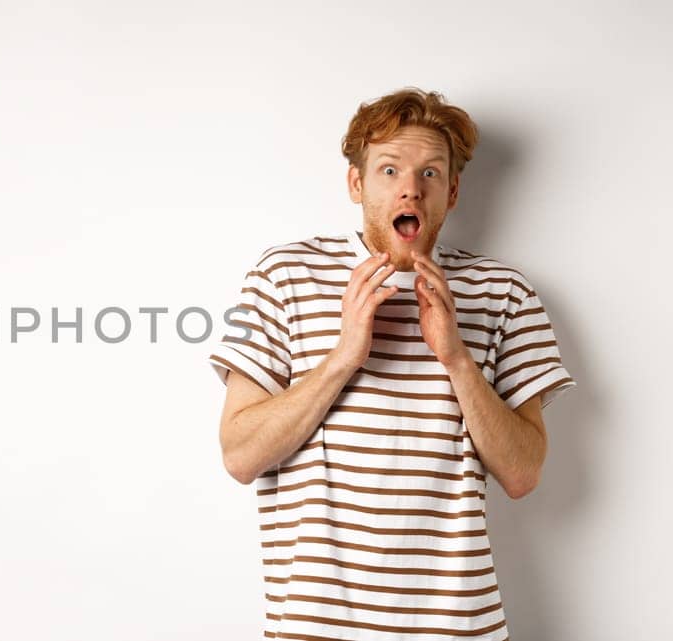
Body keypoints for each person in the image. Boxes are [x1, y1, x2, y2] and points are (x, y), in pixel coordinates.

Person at [206, 87, 577, 639]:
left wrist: (456, 359)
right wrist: (343, 356)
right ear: (356, 183)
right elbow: (239, 456)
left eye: (430, 174)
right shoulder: (280, 275)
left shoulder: (505, 291)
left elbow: (523, 473)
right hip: (318, 626)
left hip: (458, 628)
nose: (410, 188)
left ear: (452, 192)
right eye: (389, 170)